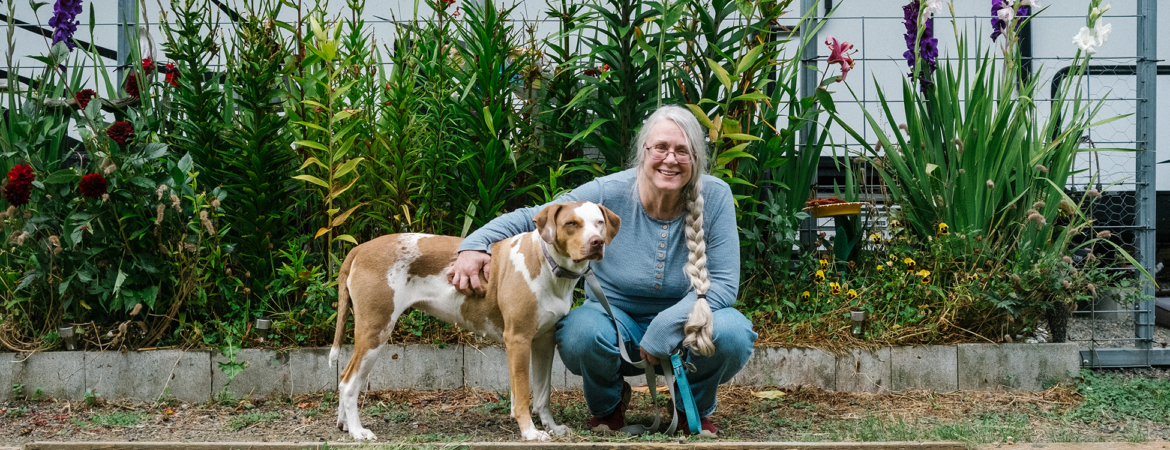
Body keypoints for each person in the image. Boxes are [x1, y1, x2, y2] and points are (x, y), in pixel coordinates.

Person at [448, 105, 756, 436]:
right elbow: (534, 216)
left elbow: (723, 285)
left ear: (696, 158)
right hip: (616, 319)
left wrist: (666, 325)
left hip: (684, 322)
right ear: (644, 151)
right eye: (661, 148)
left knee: (733, 332)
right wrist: (473, 245)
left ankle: (688, 405)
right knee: (580, 332)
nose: (671, 159)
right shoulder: (608, 191)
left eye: (683, 151)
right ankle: (608, 406)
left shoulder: (716, 196)